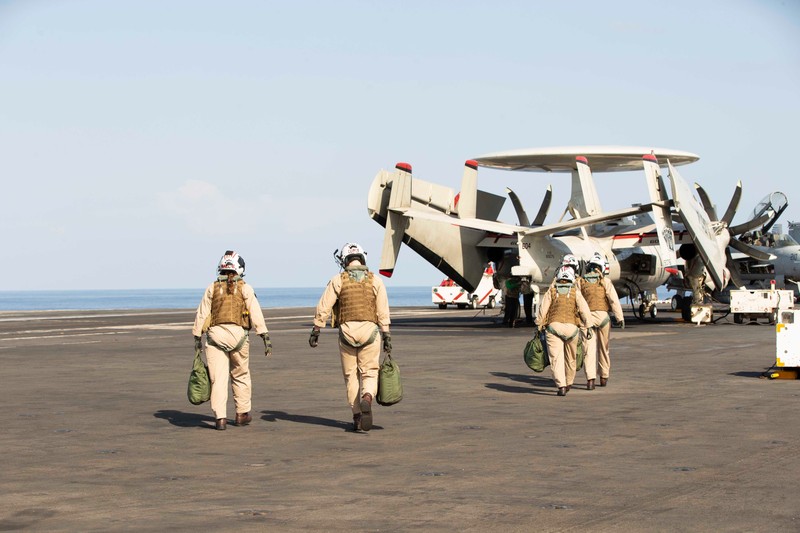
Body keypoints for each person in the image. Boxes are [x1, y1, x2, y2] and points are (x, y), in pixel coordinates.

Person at [309, 243, 391, 432]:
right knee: (370, 371)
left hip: (347, 332)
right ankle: (367, 398)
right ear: (363, 258)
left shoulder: (338, 280)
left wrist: (316, 329)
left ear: (345, 259)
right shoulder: (375, 281)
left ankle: (356, 416)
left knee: (351, 376)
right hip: (370, 331)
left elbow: (324, 306)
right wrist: (386, 334)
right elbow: (383, 311)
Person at [192, 251, 271, 431]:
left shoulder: (212, 288)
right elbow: (255, 312)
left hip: (215, 336)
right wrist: (264, 335)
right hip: (239, 337)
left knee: (217, 379)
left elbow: (202, 313)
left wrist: (197, 335)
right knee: (240, 375)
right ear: (239, 269)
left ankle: (220, 418)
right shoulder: (245, 288)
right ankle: (242, 414)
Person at [536, 265, 591, 396]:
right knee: (571, 358)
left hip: (554, 327)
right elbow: (584, 309)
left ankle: (561, 386)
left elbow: (543, 310)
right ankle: (569, 382)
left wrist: (538, 324)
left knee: (556, 358)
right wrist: (588, 325)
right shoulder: (575, 291)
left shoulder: (552, 290)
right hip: (572, 329)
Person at [578, 253, 624, 389]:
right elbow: (613, 300)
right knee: (604, 349)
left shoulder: (580, 281)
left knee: (588, 350)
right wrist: (620, 317)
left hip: (587, 319)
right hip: (603, 318)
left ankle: (590, 380)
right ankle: (604, 377)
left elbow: (578, 301)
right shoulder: (605, 282)